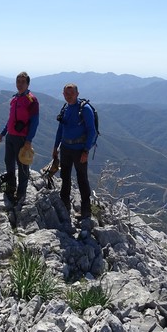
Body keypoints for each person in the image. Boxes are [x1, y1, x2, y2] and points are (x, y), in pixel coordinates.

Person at [53, 83, 97, 232]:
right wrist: (55, 147)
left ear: (77, 94)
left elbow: (92, 131)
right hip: (65, 148)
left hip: (79, 150)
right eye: (66, 93)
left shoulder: (84, 109)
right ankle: (65, 204)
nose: (68, 96)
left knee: (82, 179)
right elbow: (61, 129)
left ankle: (86, 210)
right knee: (65, 177)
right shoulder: (65, 108)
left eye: (71, 93)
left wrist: (86, 150)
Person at [0, 72, 39, 202]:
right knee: (8, 162)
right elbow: (11, 120)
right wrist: (3, 133)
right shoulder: (15, 98)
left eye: (23, 82)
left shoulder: (31, 100)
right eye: (18, 81)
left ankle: (21, 193)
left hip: (22, 138)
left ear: (27, 84)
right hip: (10, 136)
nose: (20, 84)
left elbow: (35, 122)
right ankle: (11, 187)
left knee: (22, 166)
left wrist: (29, 140)